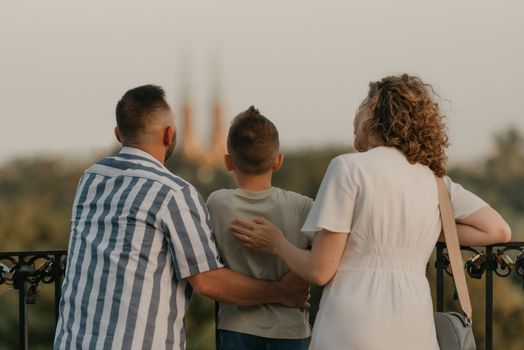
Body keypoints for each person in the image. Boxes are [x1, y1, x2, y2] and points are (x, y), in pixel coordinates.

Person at [230, 74, 512, 349]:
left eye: (363, 104)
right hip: (414, 328)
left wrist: (277, 244)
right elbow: (497, 229)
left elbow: (319, 270)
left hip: (351, 326)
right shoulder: (436, 181)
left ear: (376, 112)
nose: (355, 115)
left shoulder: (348, 168)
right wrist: (422, 227)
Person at [53, 85, 308, 350]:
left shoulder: (91, 178)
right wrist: (281, 292)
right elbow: (207, 280)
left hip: (73, 341)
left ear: (118, 134)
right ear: (168, 134)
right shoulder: (173, 193)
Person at [206, 106, 313, 350]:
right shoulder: (303, 206)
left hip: (236, 328)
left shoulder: (217, 203)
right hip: (290, 331)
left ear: (228, 162)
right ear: (278, 161)